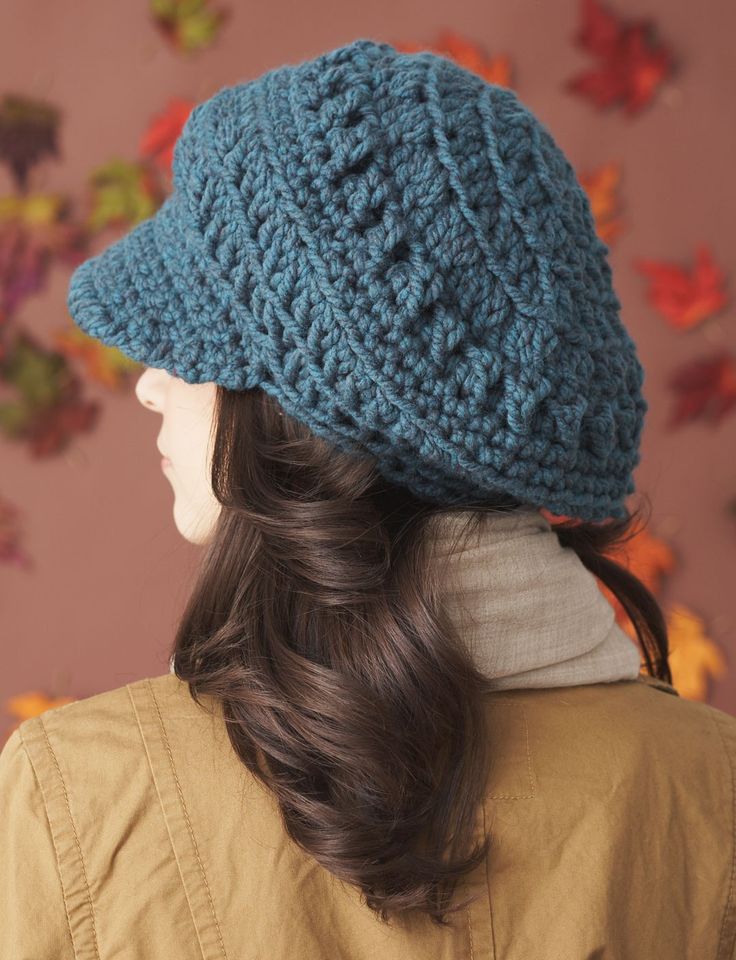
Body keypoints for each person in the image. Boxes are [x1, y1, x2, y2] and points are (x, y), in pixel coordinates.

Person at [1, 37, 734, 960]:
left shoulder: (78, 800)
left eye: (198, 346)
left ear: (316, 412)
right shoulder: (714, 798)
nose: (150, 383)